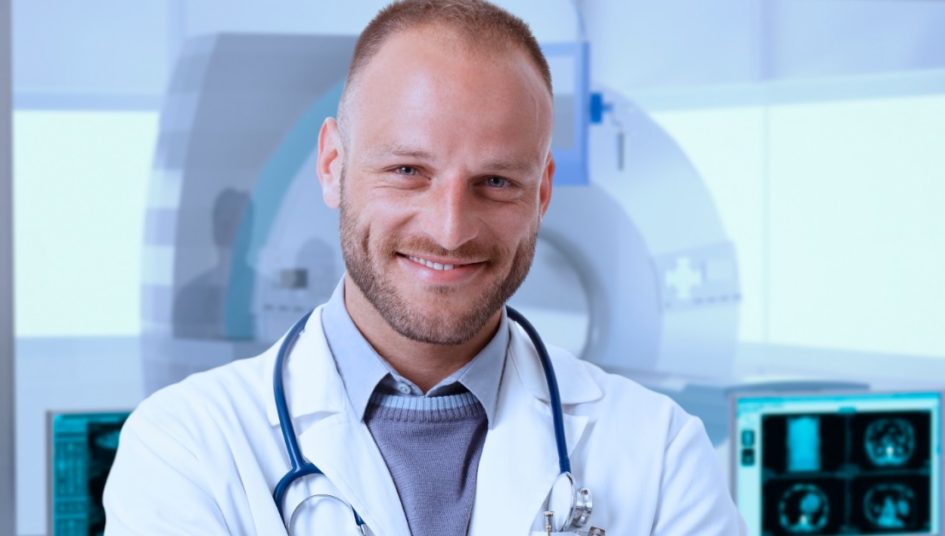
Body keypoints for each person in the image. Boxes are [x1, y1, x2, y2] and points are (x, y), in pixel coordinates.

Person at [103, 1, 745, 534]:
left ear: (542, 194)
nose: (449, 228)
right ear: (332, 165)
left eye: (495, 181)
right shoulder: (186, 447)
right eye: (408, 171)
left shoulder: (659, 454)